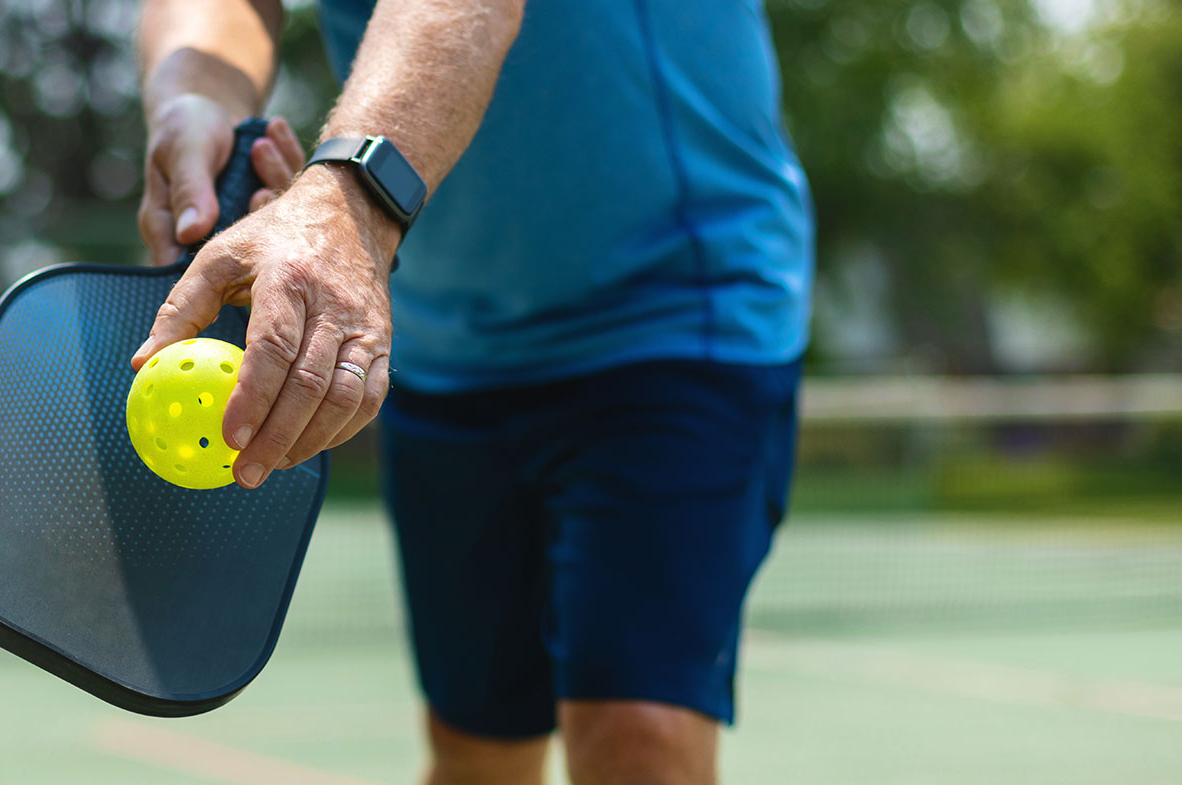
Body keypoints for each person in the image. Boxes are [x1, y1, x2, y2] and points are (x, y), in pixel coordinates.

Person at [130, 0, 812, 782]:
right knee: (474, 747)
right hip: (451, 344)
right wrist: (195, 99)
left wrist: (349, 195)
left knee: (640, 733)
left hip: (675, 309)